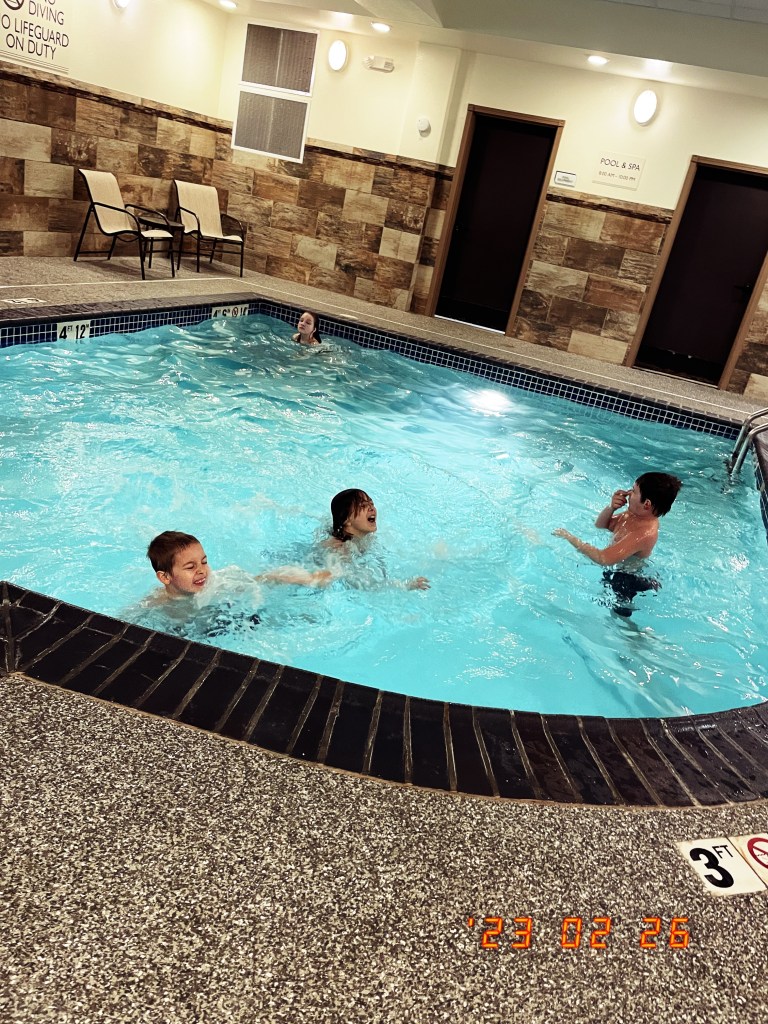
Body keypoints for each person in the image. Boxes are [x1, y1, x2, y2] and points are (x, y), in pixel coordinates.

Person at [553, 472, 682, 616]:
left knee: (619, 618)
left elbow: (603, 558)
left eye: (633, 491)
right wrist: (611, 508)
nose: (628, 493)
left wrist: (570, 538)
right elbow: (601, 525)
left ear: (646, 504)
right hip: (619, 568)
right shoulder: (632, 515)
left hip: (627, 578)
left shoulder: (644, 534)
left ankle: (635, 631)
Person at [146, 530, 331, 605]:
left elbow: (263, 579)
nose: (202, 570)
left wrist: (308, 579)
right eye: (190, 567)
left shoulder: (217, 584)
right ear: (165, 577)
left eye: (204, 562)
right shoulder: (156, 604)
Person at [324, 489, 430, 590]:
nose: (371, 508)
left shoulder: (364, 537)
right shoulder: (339, 549)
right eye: (363, 506)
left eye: (371, 504)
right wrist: (405, 585)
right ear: (346, 520)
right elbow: (364, 585)